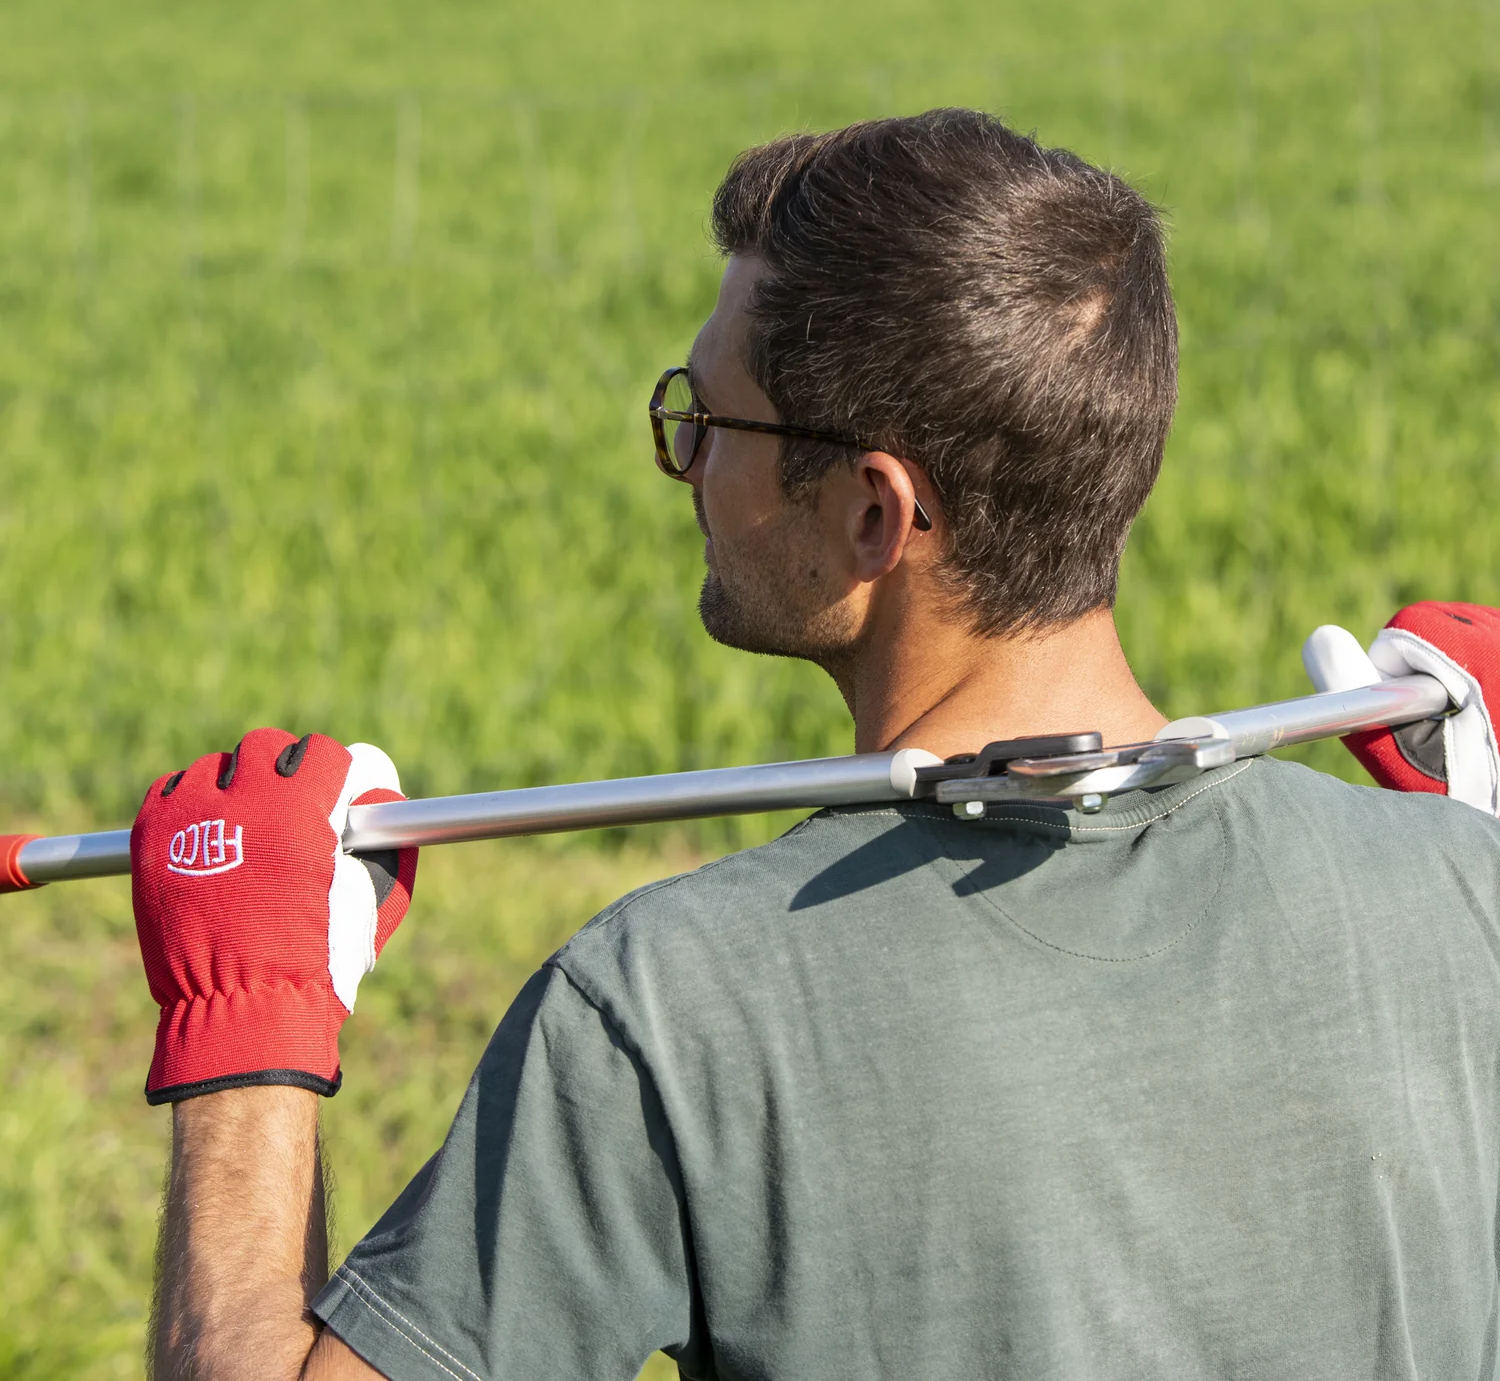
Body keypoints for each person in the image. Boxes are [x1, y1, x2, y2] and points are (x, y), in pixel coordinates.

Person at [131, 111, 1500, 1381]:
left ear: (872, 514)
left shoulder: (673, 1012)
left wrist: (242, 1031)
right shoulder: (1459, 889)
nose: (686, 465)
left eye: (710, 421)